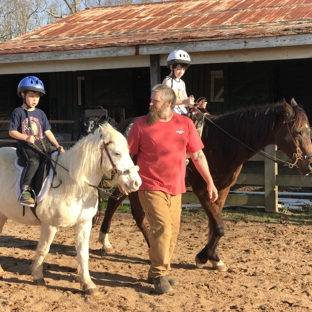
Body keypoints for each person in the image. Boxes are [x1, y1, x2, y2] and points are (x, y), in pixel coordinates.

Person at [127, 84, 218, 294]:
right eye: (151, 100)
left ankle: (155, 272)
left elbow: (197, 155)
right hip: (150, 185)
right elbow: (127, 154)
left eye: (155, 101)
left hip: (176, 187)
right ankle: (160, 274)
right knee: (162, 228)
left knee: (173, 232)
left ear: (169, 104)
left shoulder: (185, 124)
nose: (150, 103)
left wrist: (210, 182)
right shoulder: (140, 125)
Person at [8, 76, 65, 206]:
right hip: (26, 147)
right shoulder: (18, 112)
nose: (35, 99)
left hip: (42, 144)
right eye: (31, 96)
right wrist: (26, 137)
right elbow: (12, 132)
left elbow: (47, 131)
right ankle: (26, 190)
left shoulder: (40, 113)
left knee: (57, 156)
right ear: (23, 94)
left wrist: (57, 145)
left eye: (37, 96)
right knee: (33, 162)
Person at [162, 49, 207, 115]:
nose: (181, 72)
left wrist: (197, 105)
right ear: (171, 67)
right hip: (171, 115)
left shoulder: (182, 83)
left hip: (183, 113)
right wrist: (185, 101)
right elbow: (167, 101)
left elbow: (186, 104)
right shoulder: (167, 81)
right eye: (179, 69)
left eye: (184, 69)